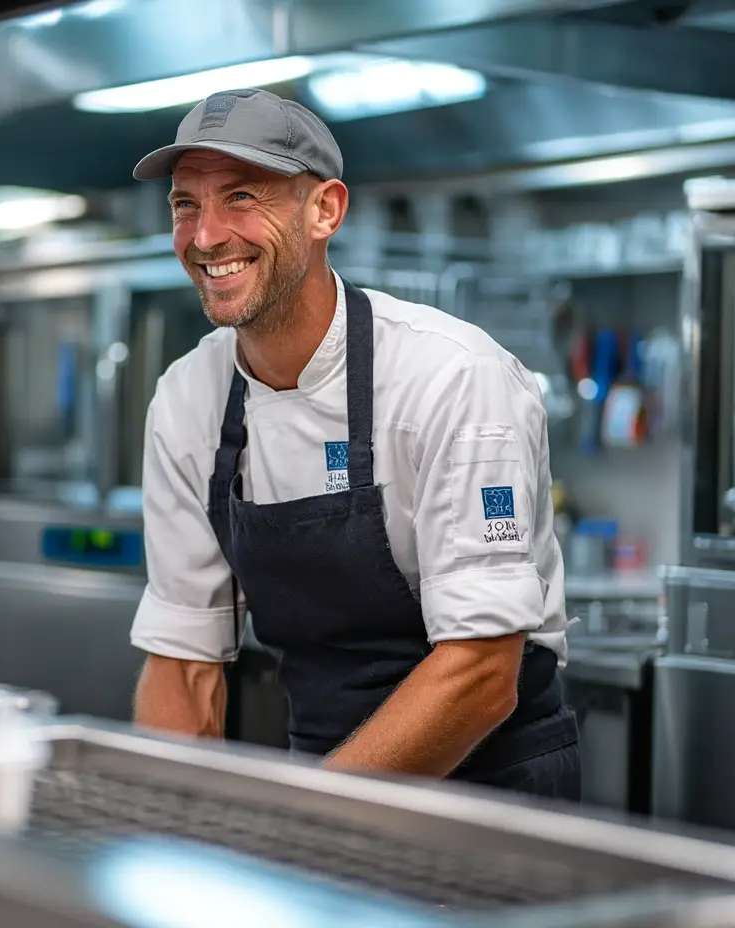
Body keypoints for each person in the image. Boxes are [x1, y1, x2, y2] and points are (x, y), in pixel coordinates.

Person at [127, 88, 580, 799]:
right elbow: (183, 662)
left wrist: (310, 814)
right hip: (327, 772)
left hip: (490, 794)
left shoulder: (451, 376)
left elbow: (481, 673)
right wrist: (167, 821)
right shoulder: (188, 400)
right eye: (186, 205)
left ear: (325, 211)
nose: (206, 236)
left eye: (241, 197)